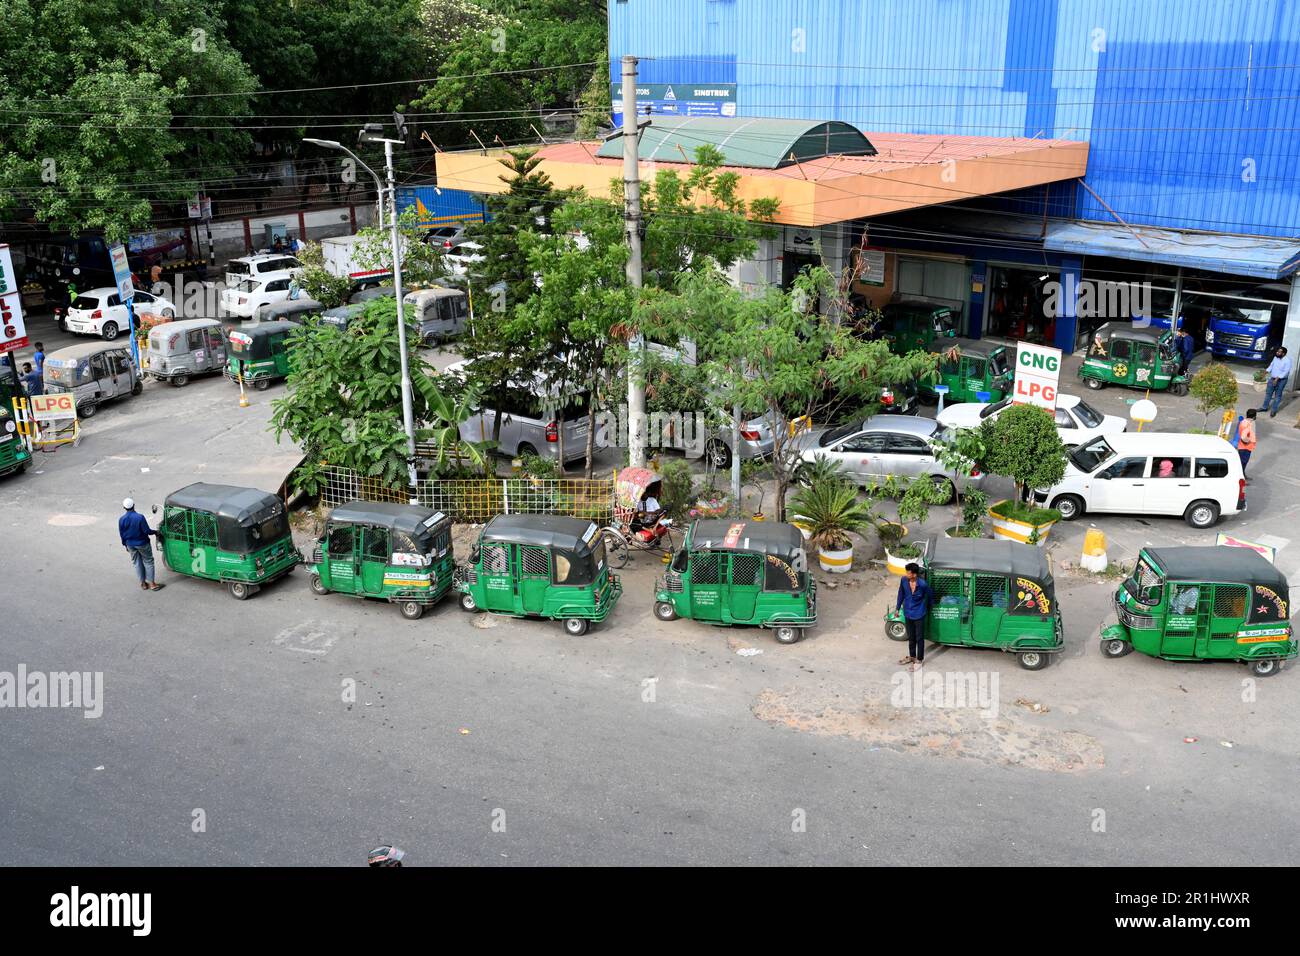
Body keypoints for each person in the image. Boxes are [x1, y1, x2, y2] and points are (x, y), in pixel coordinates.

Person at [119, 498, 164, 592]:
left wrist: (125, 545)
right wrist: (155, 532)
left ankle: (143, 584)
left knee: (137, 563)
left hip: (130, 544)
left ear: (124, 507)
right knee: (148, 561)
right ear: (134, 505)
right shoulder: (139, 517)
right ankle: (152, 584)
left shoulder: (121, 519)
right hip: (142, 543)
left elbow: (122, 534)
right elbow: (146, 531)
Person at [896, 562, 932, 671]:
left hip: (919, 614)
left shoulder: (923, 584)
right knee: (911, 637)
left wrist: (928, 608)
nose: (906, 574)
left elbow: (930, 595)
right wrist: (897, 608)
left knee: (919, 638)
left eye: (908, 573)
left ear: (914, 574)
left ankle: (919, 659)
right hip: (908, 613)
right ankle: (912, 657)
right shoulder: (903, 580)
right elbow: (900, 594)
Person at [1264, 346, 1291, 417]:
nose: (1277, 353)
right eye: (1277, 351)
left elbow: (1285, 372)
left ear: (1284, 354)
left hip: (1281, 380)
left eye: (1279, 352)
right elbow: (1271, 365)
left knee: (1277, 396)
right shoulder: (1276, 358)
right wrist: (1266, 371)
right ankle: (1264, 407)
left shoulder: (1287, 361)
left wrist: (1277, 379)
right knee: (1268, 394)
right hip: (1272, 378)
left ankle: (1273, 411)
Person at [1237, 408, 1257, 480]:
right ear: (1254, 417)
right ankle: (1240, 478)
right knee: (1243, 462)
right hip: (1245, 447)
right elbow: (1243, 436)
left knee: (1243, 462)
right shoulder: (1248, 424)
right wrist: (1248, 441)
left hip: (1243, 446)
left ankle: (1243, 475)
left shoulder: (1244, 422)